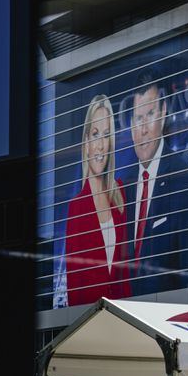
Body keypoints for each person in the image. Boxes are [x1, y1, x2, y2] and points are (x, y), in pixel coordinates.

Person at [125, 71, 188, 296]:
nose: (143, 129)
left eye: (149, 115)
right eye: (138, 118)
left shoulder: (182, 177)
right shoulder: (124, 186)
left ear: (162, 114)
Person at [64, 94, 131, 306]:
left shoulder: (120, 196)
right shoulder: (76, 207)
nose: (101, 145)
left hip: (125, 317)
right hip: (93, 320)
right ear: (86, 143)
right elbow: (74, 285)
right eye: (95, 134)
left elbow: (126, 272)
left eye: (106, 135)